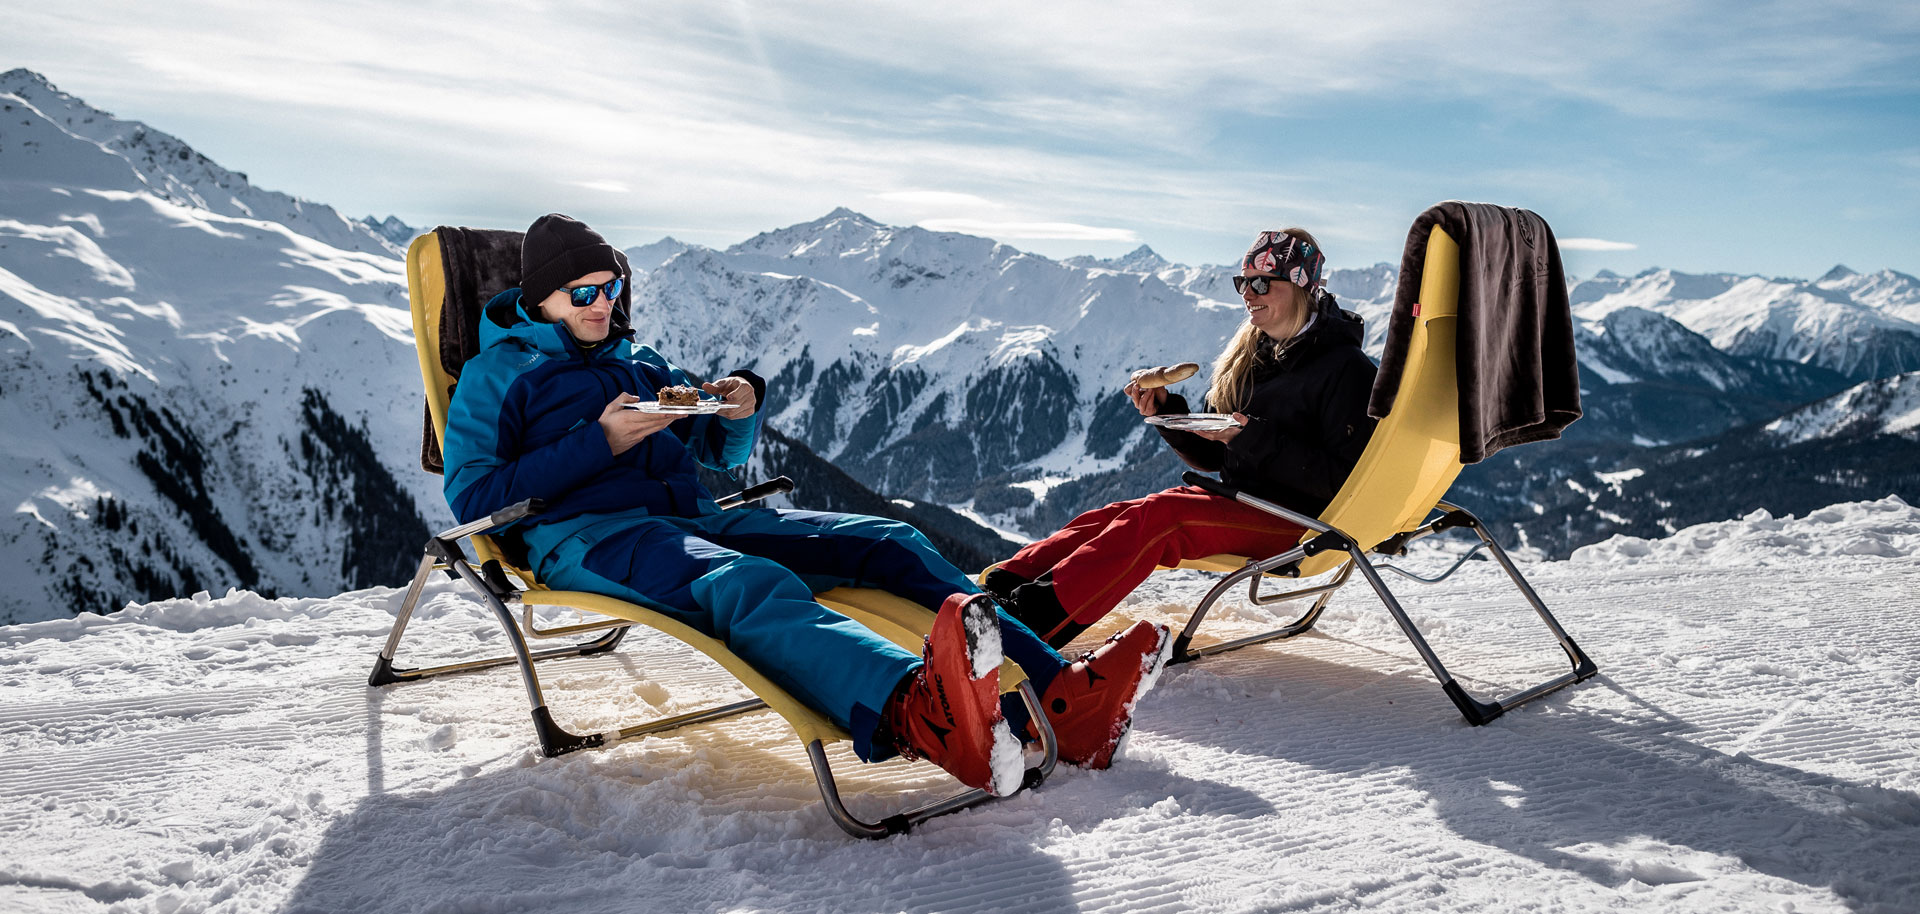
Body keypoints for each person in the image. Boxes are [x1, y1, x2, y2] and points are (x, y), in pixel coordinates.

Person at [441, 214, 1170, 794]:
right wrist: (598, 443)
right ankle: (917, 713)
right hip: (591, 538)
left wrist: (738, 411)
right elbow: (472, 497)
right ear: (540, 299)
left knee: (886, 541)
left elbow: (718, 458)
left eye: (611, 289)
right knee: (746, 585)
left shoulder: (639, 361)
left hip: (697, 520)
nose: (603, 305)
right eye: (584, 294)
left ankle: (1065, 699)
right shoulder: (498, 375)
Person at [987, 229, 1378, 648]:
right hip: (1244, 501)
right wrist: (1167, 412)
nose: (1248, 293)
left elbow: (1342, 481)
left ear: (1302, 285)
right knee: (1120, 514)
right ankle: (1003, 583)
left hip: (1300, 522)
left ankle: (1029, 624)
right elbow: (1215, 455)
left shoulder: (1346, 369)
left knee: (1162, 518)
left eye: (1262, 282)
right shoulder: (1256, 355)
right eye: (1242, 282)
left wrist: (1249, 438)